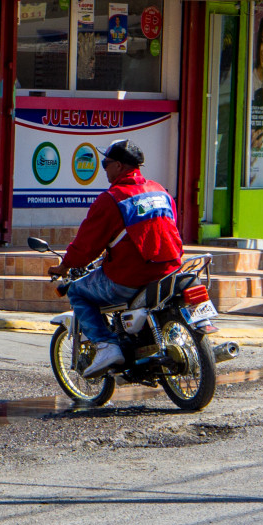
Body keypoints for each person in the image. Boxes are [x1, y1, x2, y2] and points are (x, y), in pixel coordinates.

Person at [48, 139, 184, 377]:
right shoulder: (160, 191)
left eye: (106, 163)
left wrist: (65, 265)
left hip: (131, 277)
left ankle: (106, 346)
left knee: (77, 291)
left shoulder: (112, 199)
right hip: (170, 270)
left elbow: (86, 245)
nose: (104, 169)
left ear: (119, 166)